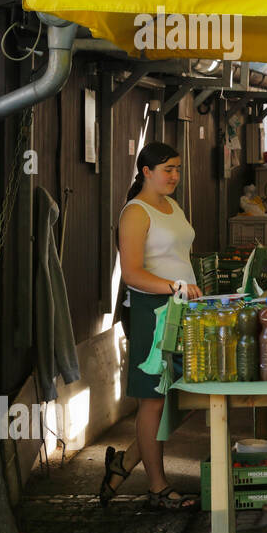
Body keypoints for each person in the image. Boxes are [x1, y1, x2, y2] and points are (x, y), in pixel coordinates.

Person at [100, 143, 202, 511]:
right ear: (146, 171)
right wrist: (173, 286)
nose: (174, 175)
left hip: (180, 309)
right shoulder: (135, 213)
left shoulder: (172, 205)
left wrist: (183, 290)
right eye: (167, 169)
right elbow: (131, 273)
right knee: (154, 402)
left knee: (192, 391)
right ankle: (157, 487)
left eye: (177, 168)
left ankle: (125, 461)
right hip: (150, 312)